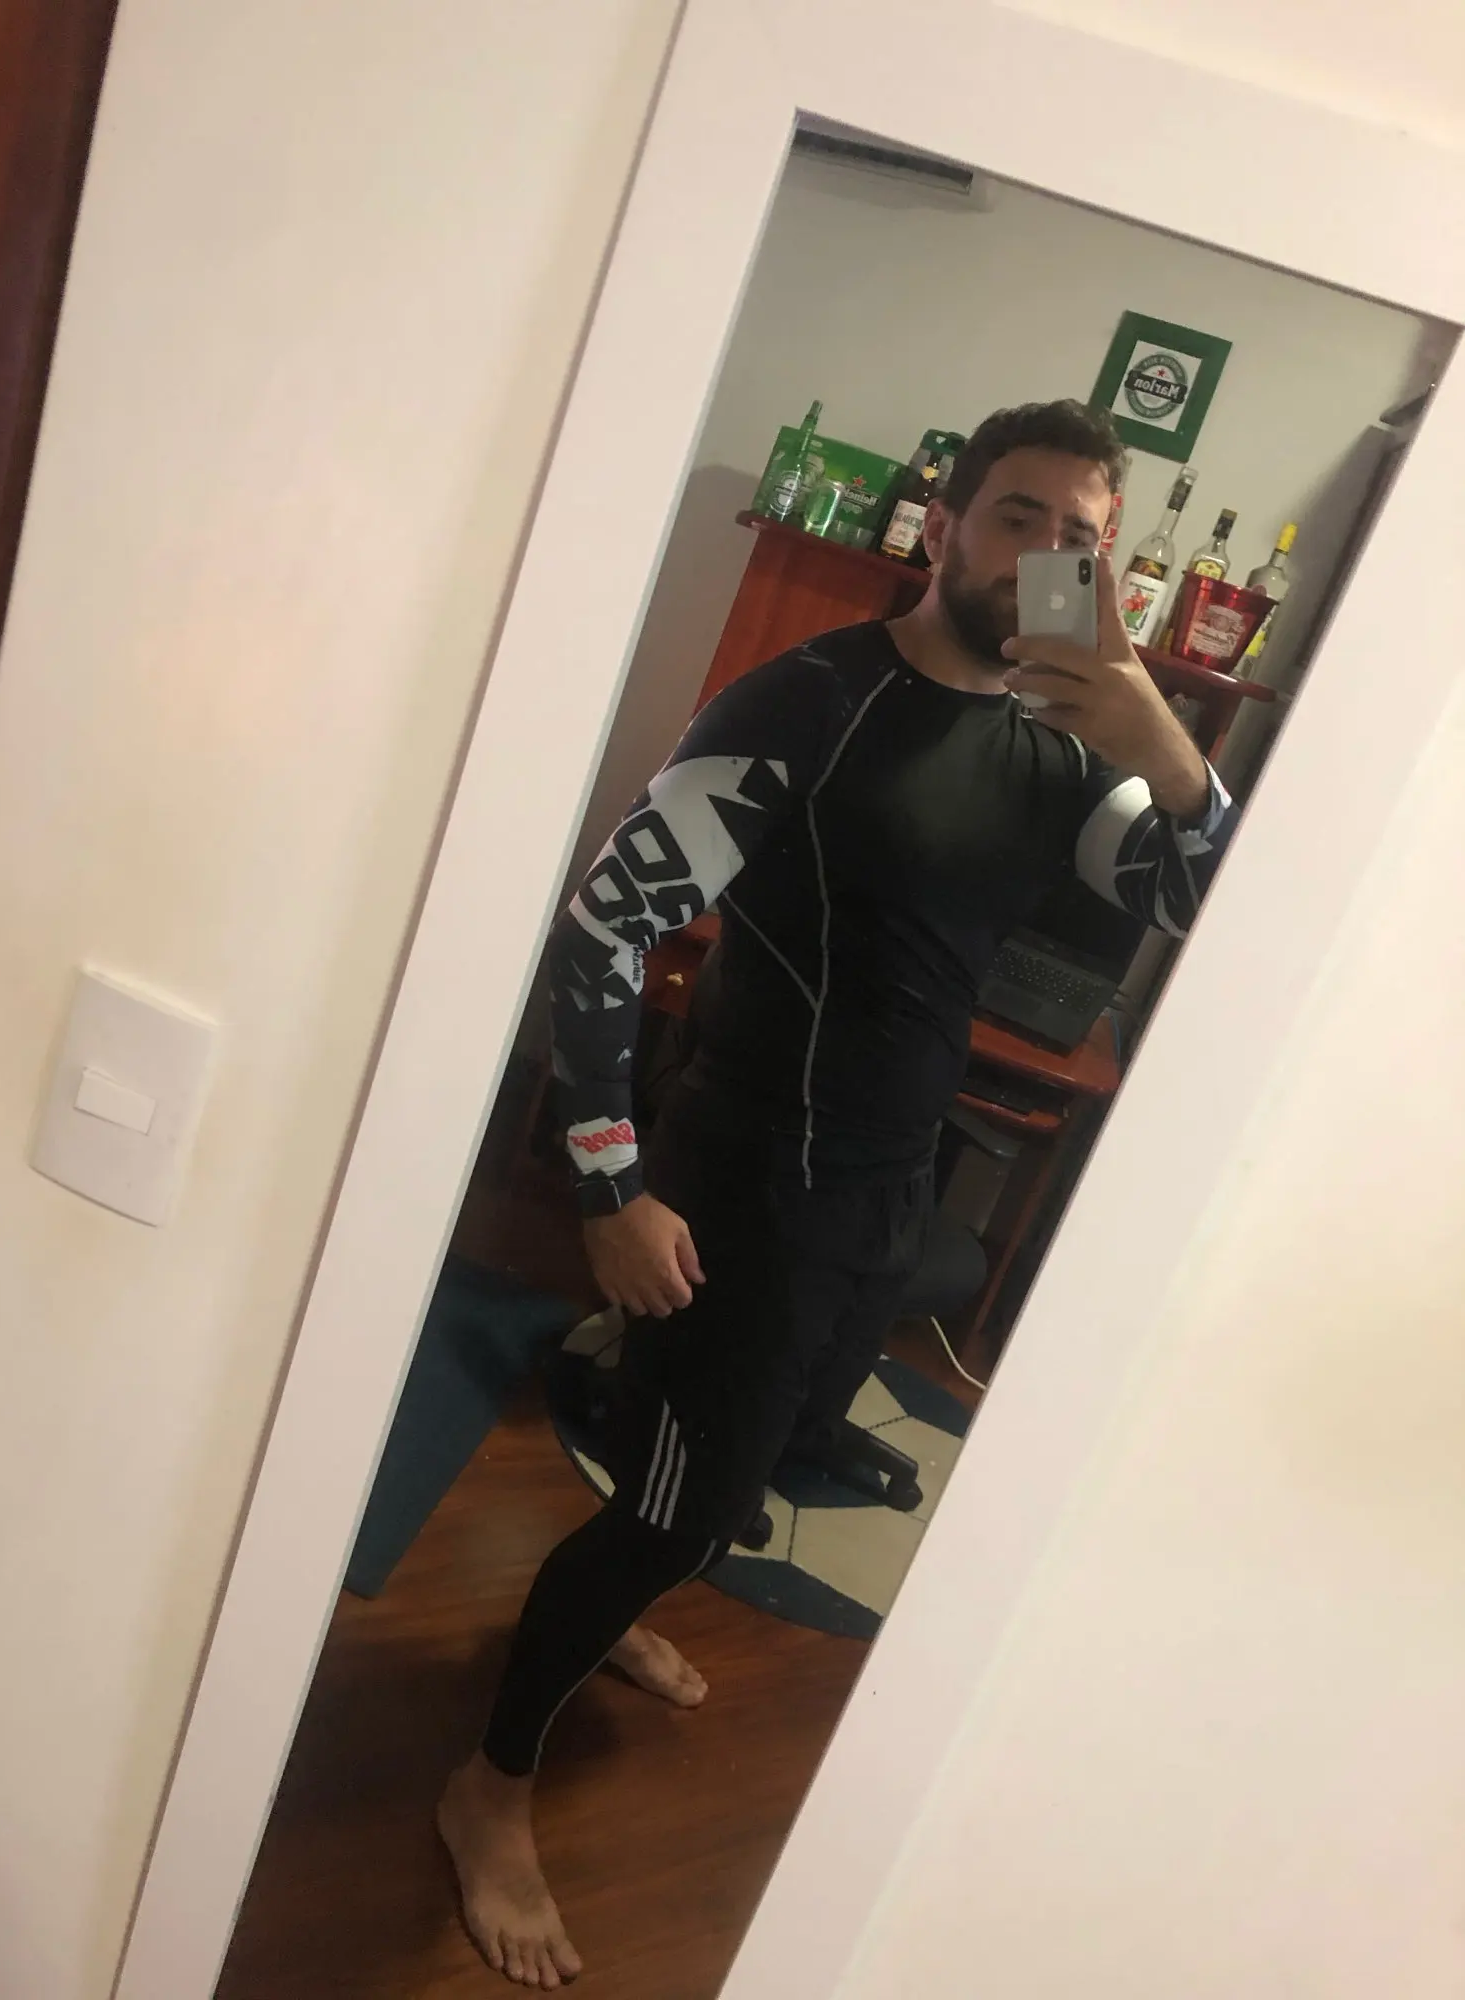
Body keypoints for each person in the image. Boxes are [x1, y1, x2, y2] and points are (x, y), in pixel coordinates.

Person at [439, 399, 1236, 1986]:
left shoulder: (1068, 748)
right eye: (1018, 518)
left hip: (880, 1191)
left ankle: (643, 1576)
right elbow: (606, 929)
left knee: (744, 1470)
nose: (1048, 555)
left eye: (1083, 539)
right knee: (680, 1503)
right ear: (944, 527)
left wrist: (1168, 750)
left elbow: (1206, 905)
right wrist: (608, 1184)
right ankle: (490, 1787)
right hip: (736, 1193)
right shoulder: (804, 704)